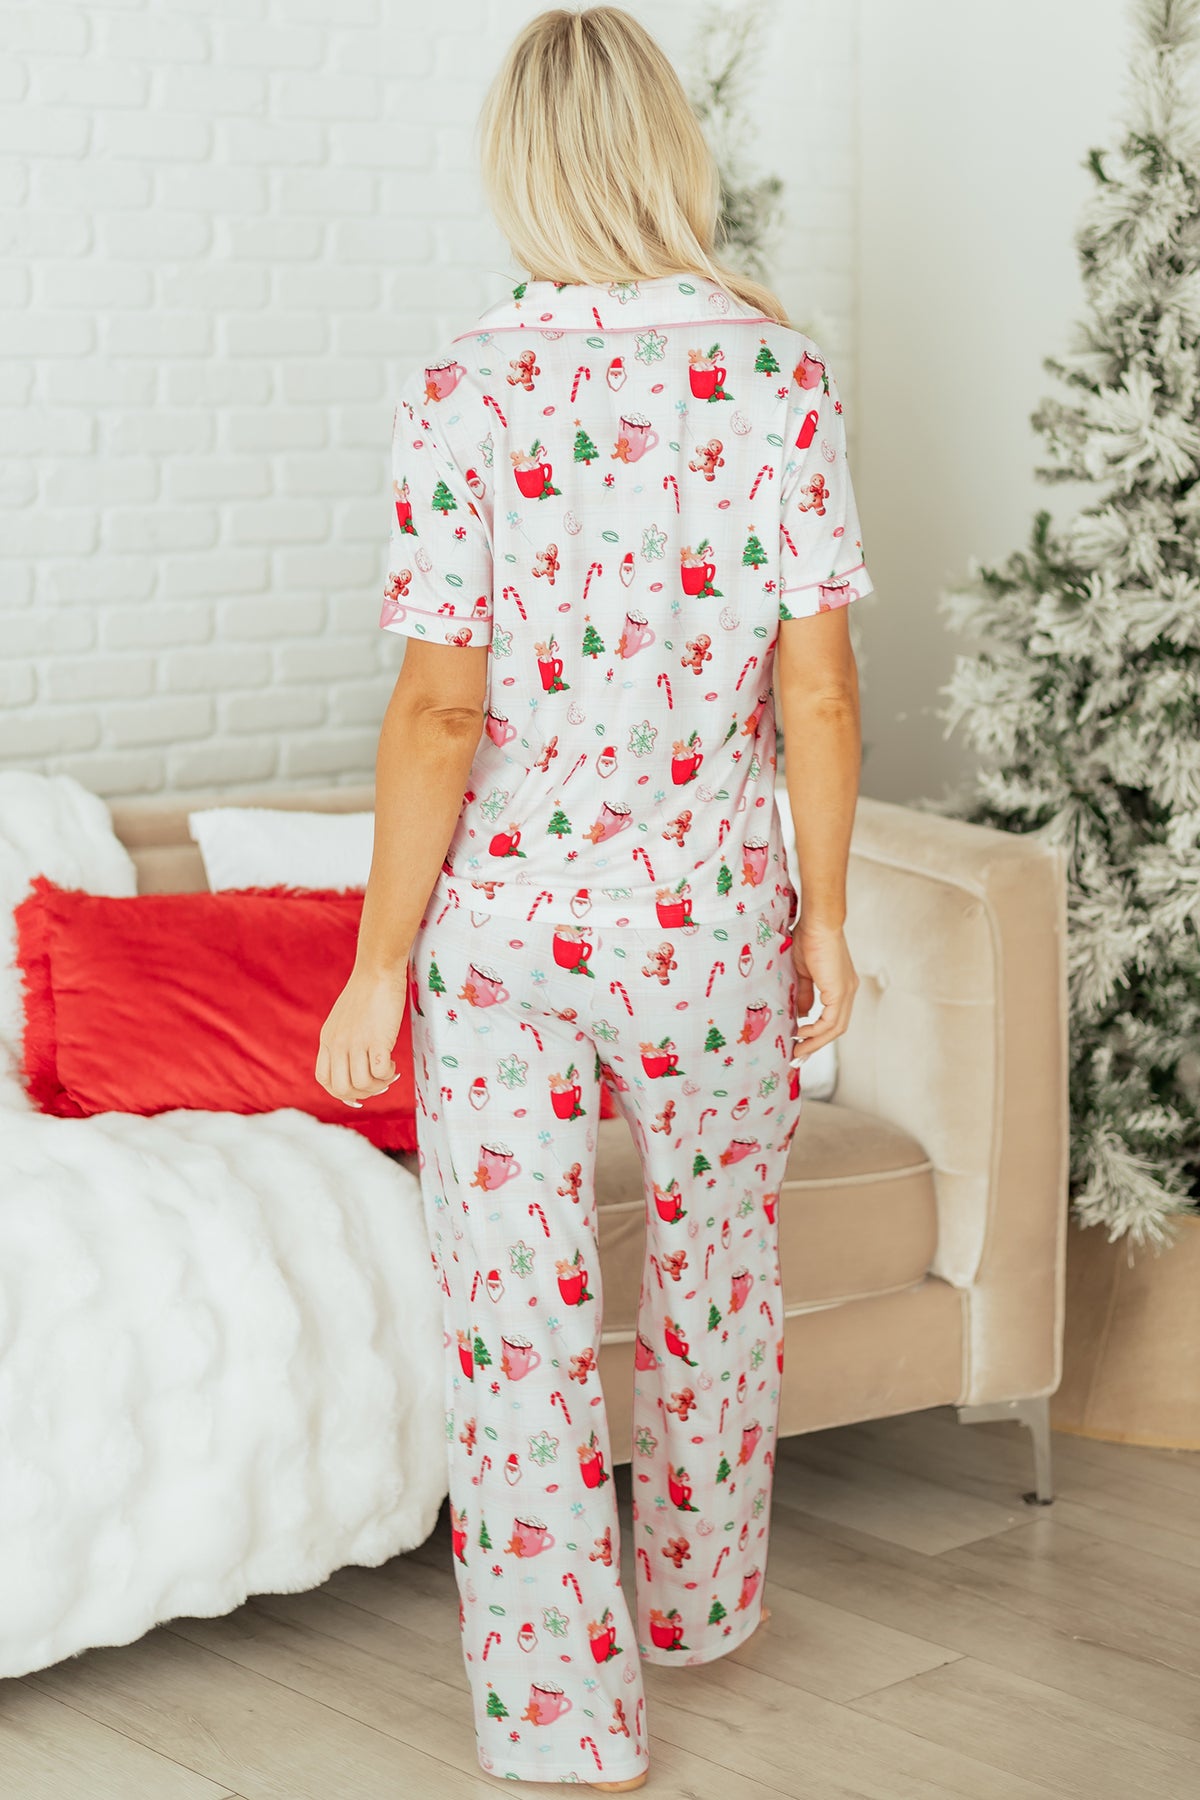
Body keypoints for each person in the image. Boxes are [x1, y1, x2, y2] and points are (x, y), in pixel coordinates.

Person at [315, 6, 875, 1788]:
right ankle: (698, 1606)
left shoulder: (461, 390)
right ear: (666, 154)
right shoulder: (781, 378)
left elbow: (439, 710)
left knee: (521, 1324)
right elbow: (819, 696)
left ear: (521, 167)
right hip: (712, 926)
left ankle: (566, 1717)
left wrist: (376, 961)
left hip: (501, 942)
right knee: (719, 1271)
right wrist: (826, 914)